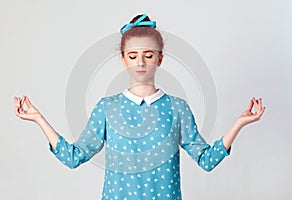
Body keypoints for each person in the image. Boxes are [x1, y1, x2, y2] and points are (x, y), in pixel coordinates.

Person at [14, 14, 265, 200]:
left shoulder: (177, 108)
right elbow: (73, 157)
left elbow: (206, 160)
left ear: (160, 58)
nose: (141, 62)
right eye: (133, 56)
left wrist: (239, 123)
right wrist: (38, 119)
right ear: (123, 60)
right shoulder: (106, 108)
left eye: (148, 54)